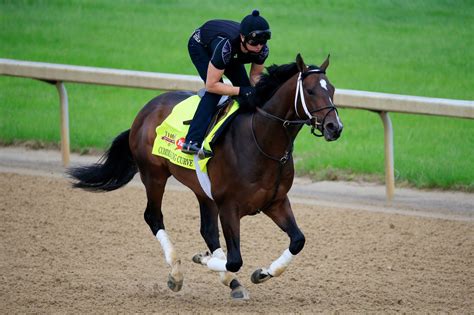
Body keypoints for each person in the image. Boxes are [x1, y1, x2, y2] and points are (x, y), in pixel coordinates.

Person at [181, 9, 271, 157]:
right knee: (216, 92)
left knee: (248, 94)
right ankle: (192, 141)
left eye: (262, 43)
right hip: (201, 46)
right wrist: (242, 91)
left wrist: (259, 93)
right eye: (254, 42)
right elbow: (211, 84)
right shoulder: (226, 48)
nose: (259, 47)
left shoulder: (262, 51)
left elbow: (255, 76)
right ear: (242, 37)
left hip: (231, 54)